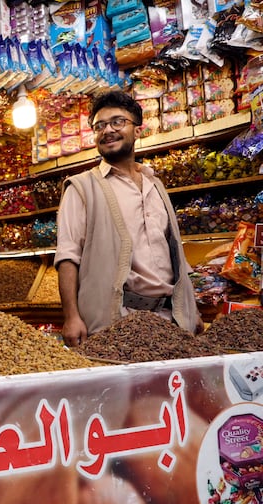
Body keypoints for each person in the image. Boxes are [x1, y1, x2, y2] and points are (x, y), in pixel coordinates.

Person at [54, 89, 203, 348]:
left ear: (137, 130)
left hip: (171, 320)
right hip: (118, 322)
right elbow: (68, 256)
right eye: (99, 126)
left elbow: (176, 254)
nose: (107, 130)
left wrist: (191, 309)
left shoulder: (155, 184)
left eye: (117, 122)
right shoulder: (81, 188)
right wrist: (72, 316)